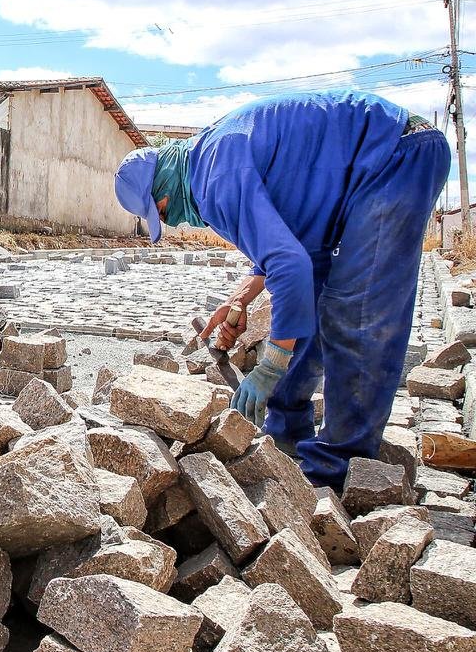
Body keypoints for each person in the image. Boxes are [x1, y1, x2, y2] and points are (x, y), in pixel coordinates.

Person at [114, 90, 448, 489]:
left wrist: (270, 366)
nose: (174, 221)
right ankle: (287, 431)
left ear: (161, 187)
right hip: (354, 182)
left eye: (162, 211)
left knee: (355, 312)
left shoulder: (212, 178)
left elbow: (288, 264)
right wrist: (241, 298)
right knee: (314, 299)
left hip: (393, 157)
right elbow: (284, 246)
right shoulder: (211, 158)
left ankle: (342, 469)